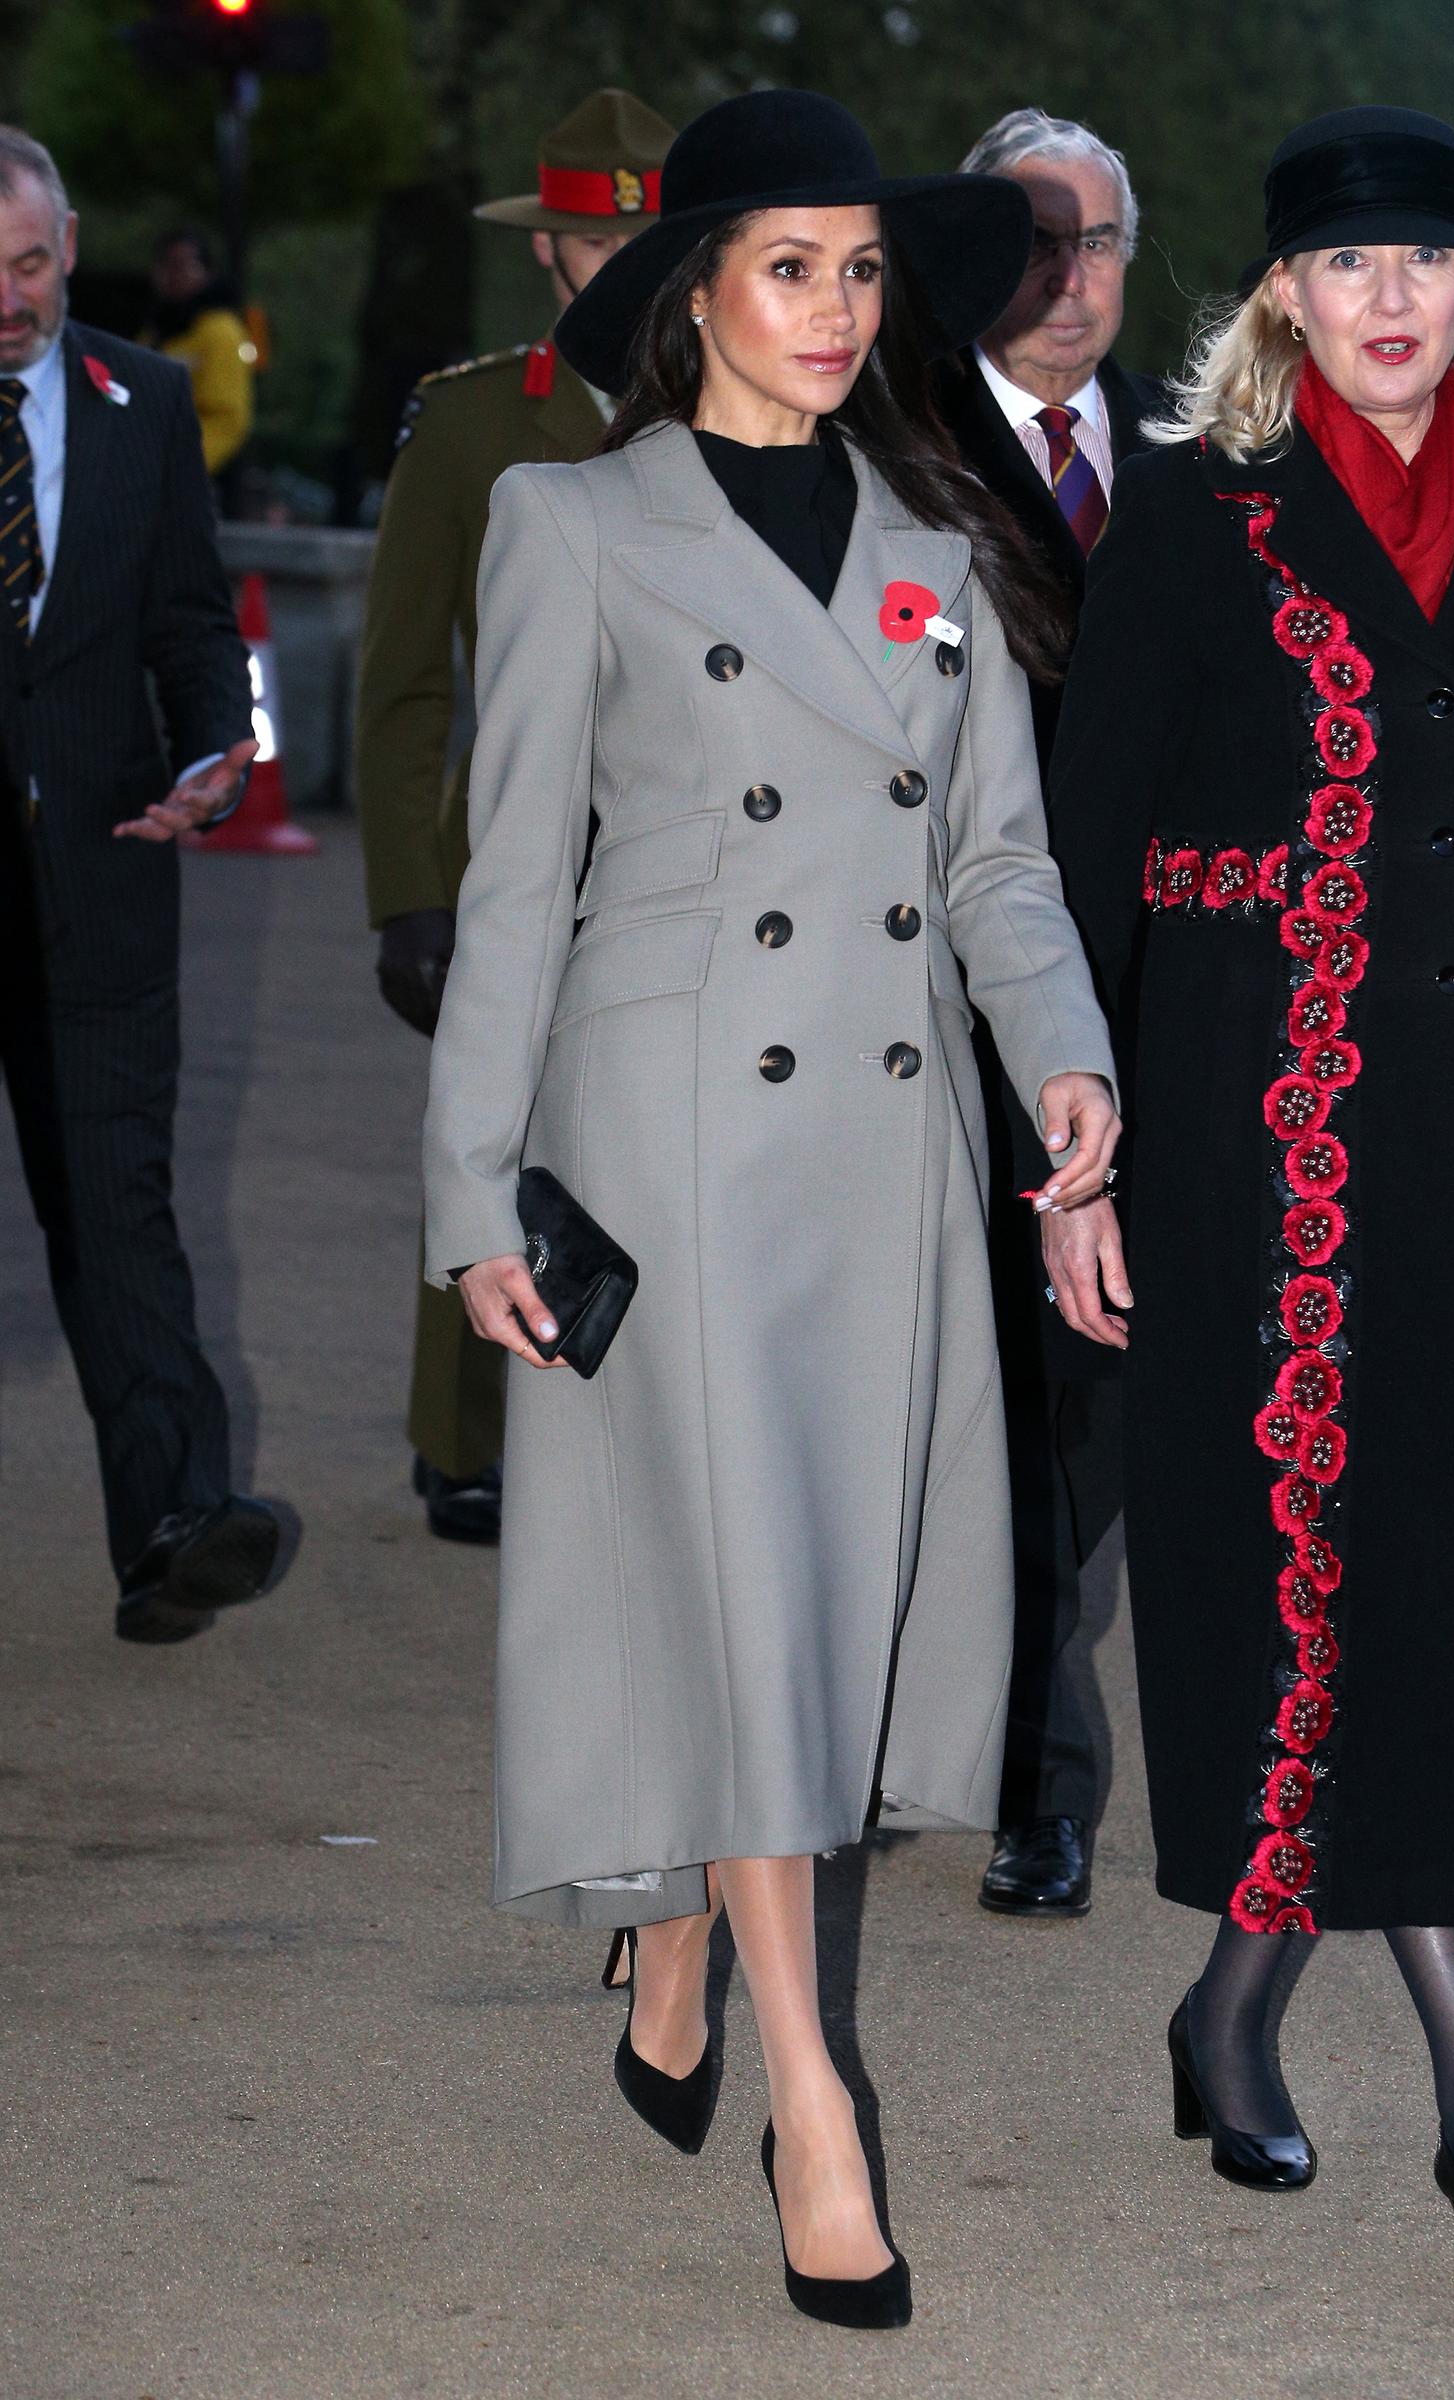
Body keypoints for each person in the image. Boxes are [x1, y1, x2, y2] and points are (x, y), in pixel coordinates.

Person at [422, 88, 1119, 2326]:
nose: (832, 310)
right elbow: (511, 886)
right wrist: (467, 1187)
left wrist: (1066, 1063)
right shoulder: (572, 521)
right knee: (746, 1611)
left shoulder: (932, 522)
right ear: (695, 290)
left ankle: (683, 1942)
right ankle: (814, 2107)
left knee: (813, 1614)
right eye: (788, 267)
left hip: (880, 1153)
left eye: (858, 270)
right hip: (672, 1142)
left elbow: (993, 862)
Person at [1048, 105, 1454, 2276]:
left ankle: (1227, 2008)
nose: (1389, 302)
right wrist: (1061, 1152)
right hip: (1242, 1130)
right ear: (1280, 292)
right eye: (1345, 267)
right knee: (1350, 1578)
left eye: (1425, 265)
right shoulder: (1190, 518)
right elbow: (1085, 848)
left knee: (1429, 1568)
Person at [356, 88, 674, 1546]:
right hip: (522, 857)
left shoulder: (745, 405)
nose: (611, 262)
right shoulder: (482, 418)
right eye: (587, 239)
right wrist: (407, 893)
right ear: (546, 251)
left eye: (638, 235)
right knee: (489, 1138)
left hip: (684, 851)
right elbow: (407, 680)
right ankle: (466, 1437)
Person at [0, 128, 275, 1643]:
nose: (12, 299)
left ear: (73, 242)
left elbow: (190, 615)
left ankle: (172, 1523)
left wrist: (220, 748)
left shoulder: (145, 399)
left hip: (103, 876)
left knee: (121, 1203)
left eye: (34, 264)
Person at [936, 108, 1164, 1921]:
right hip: (954, 1013)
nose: (1066, 274)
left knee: (1093, 1406)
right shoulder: (899, 448)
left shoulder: (1200, 451)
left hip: (1179, 997)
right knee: (1003, 1403)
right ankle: (1032, 1777)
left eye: (1096, 240)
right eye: (1032, 236)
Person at [142, 228, 255, 501]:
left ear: (206, 272)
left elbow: (227, 417)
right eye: (166, 265)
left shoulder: (220, 331)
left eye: (183, 265)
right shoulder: (157, 332)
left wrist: (179, 468)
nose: (173, 275)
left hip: (186, 482)